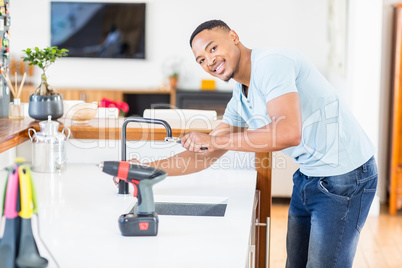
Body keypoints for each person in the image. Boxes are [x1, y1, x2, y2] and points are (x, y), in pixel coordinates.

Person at [124, 20, 378, 267]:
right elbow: (207, 154)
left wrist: (215, 139)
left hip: (345, 176)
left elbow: (289, 132)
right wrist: (146, 170)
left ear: (234, 36)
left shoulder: (271, 65)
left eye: (212, 48)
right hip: (309, 176)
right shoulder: (240, 95)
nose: (209, 61)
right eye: (201, 59)